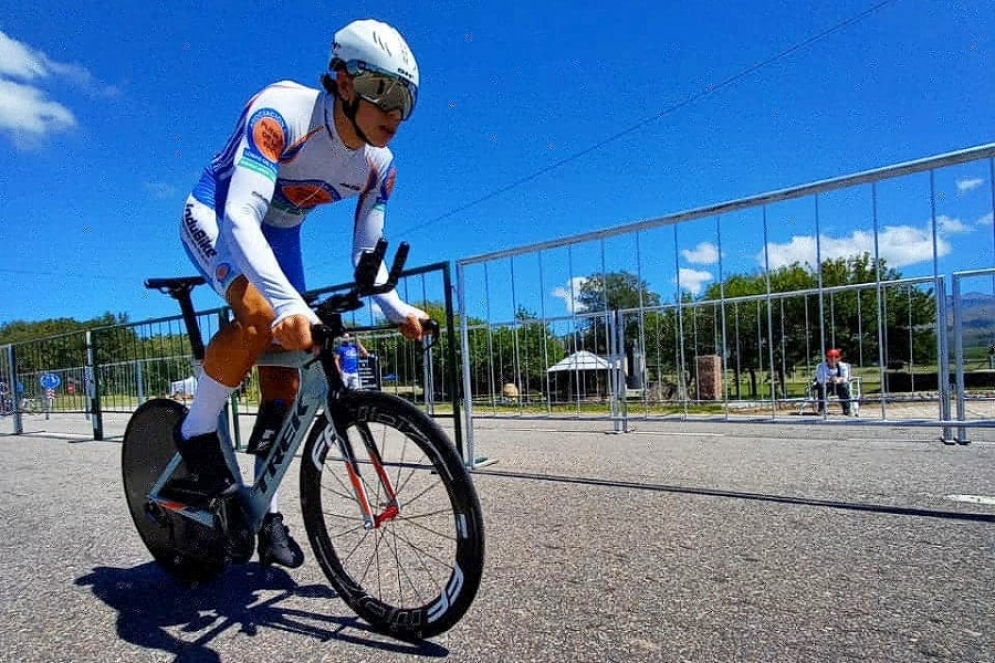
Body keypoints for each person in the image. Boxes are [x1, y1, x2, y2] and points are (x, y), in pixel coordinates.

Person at [174, 18, 428, 569]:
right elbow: (241, 216)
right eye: (382, 91)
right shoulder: (282, 112)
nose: (394, 112)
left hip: (281, 234)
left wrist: (395, 306)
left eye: (406, 99)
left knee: (289, 372)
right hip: (219, 216)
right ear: (344, 82)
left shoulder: (379, 166)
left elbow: (366, 257)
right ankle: (195, 432)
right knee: (260, 316)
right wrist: (287, 305)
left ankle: (260, 508)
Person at [814, 348, 852, 416]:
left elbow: (845, 378)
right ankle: (821, 408)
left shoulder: (843, 366)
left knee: (844, 387)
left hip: (838, 384)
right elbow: (820, 379)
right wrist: (830, 379)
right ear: (827, 358)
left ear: (839, 358)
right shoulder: (821, 366)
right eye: (830, 357)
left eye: (835, 357)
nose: (833, 359)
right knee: (822, 387)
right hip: (826, 384)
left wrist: (837, 380)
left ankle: (846, 409)